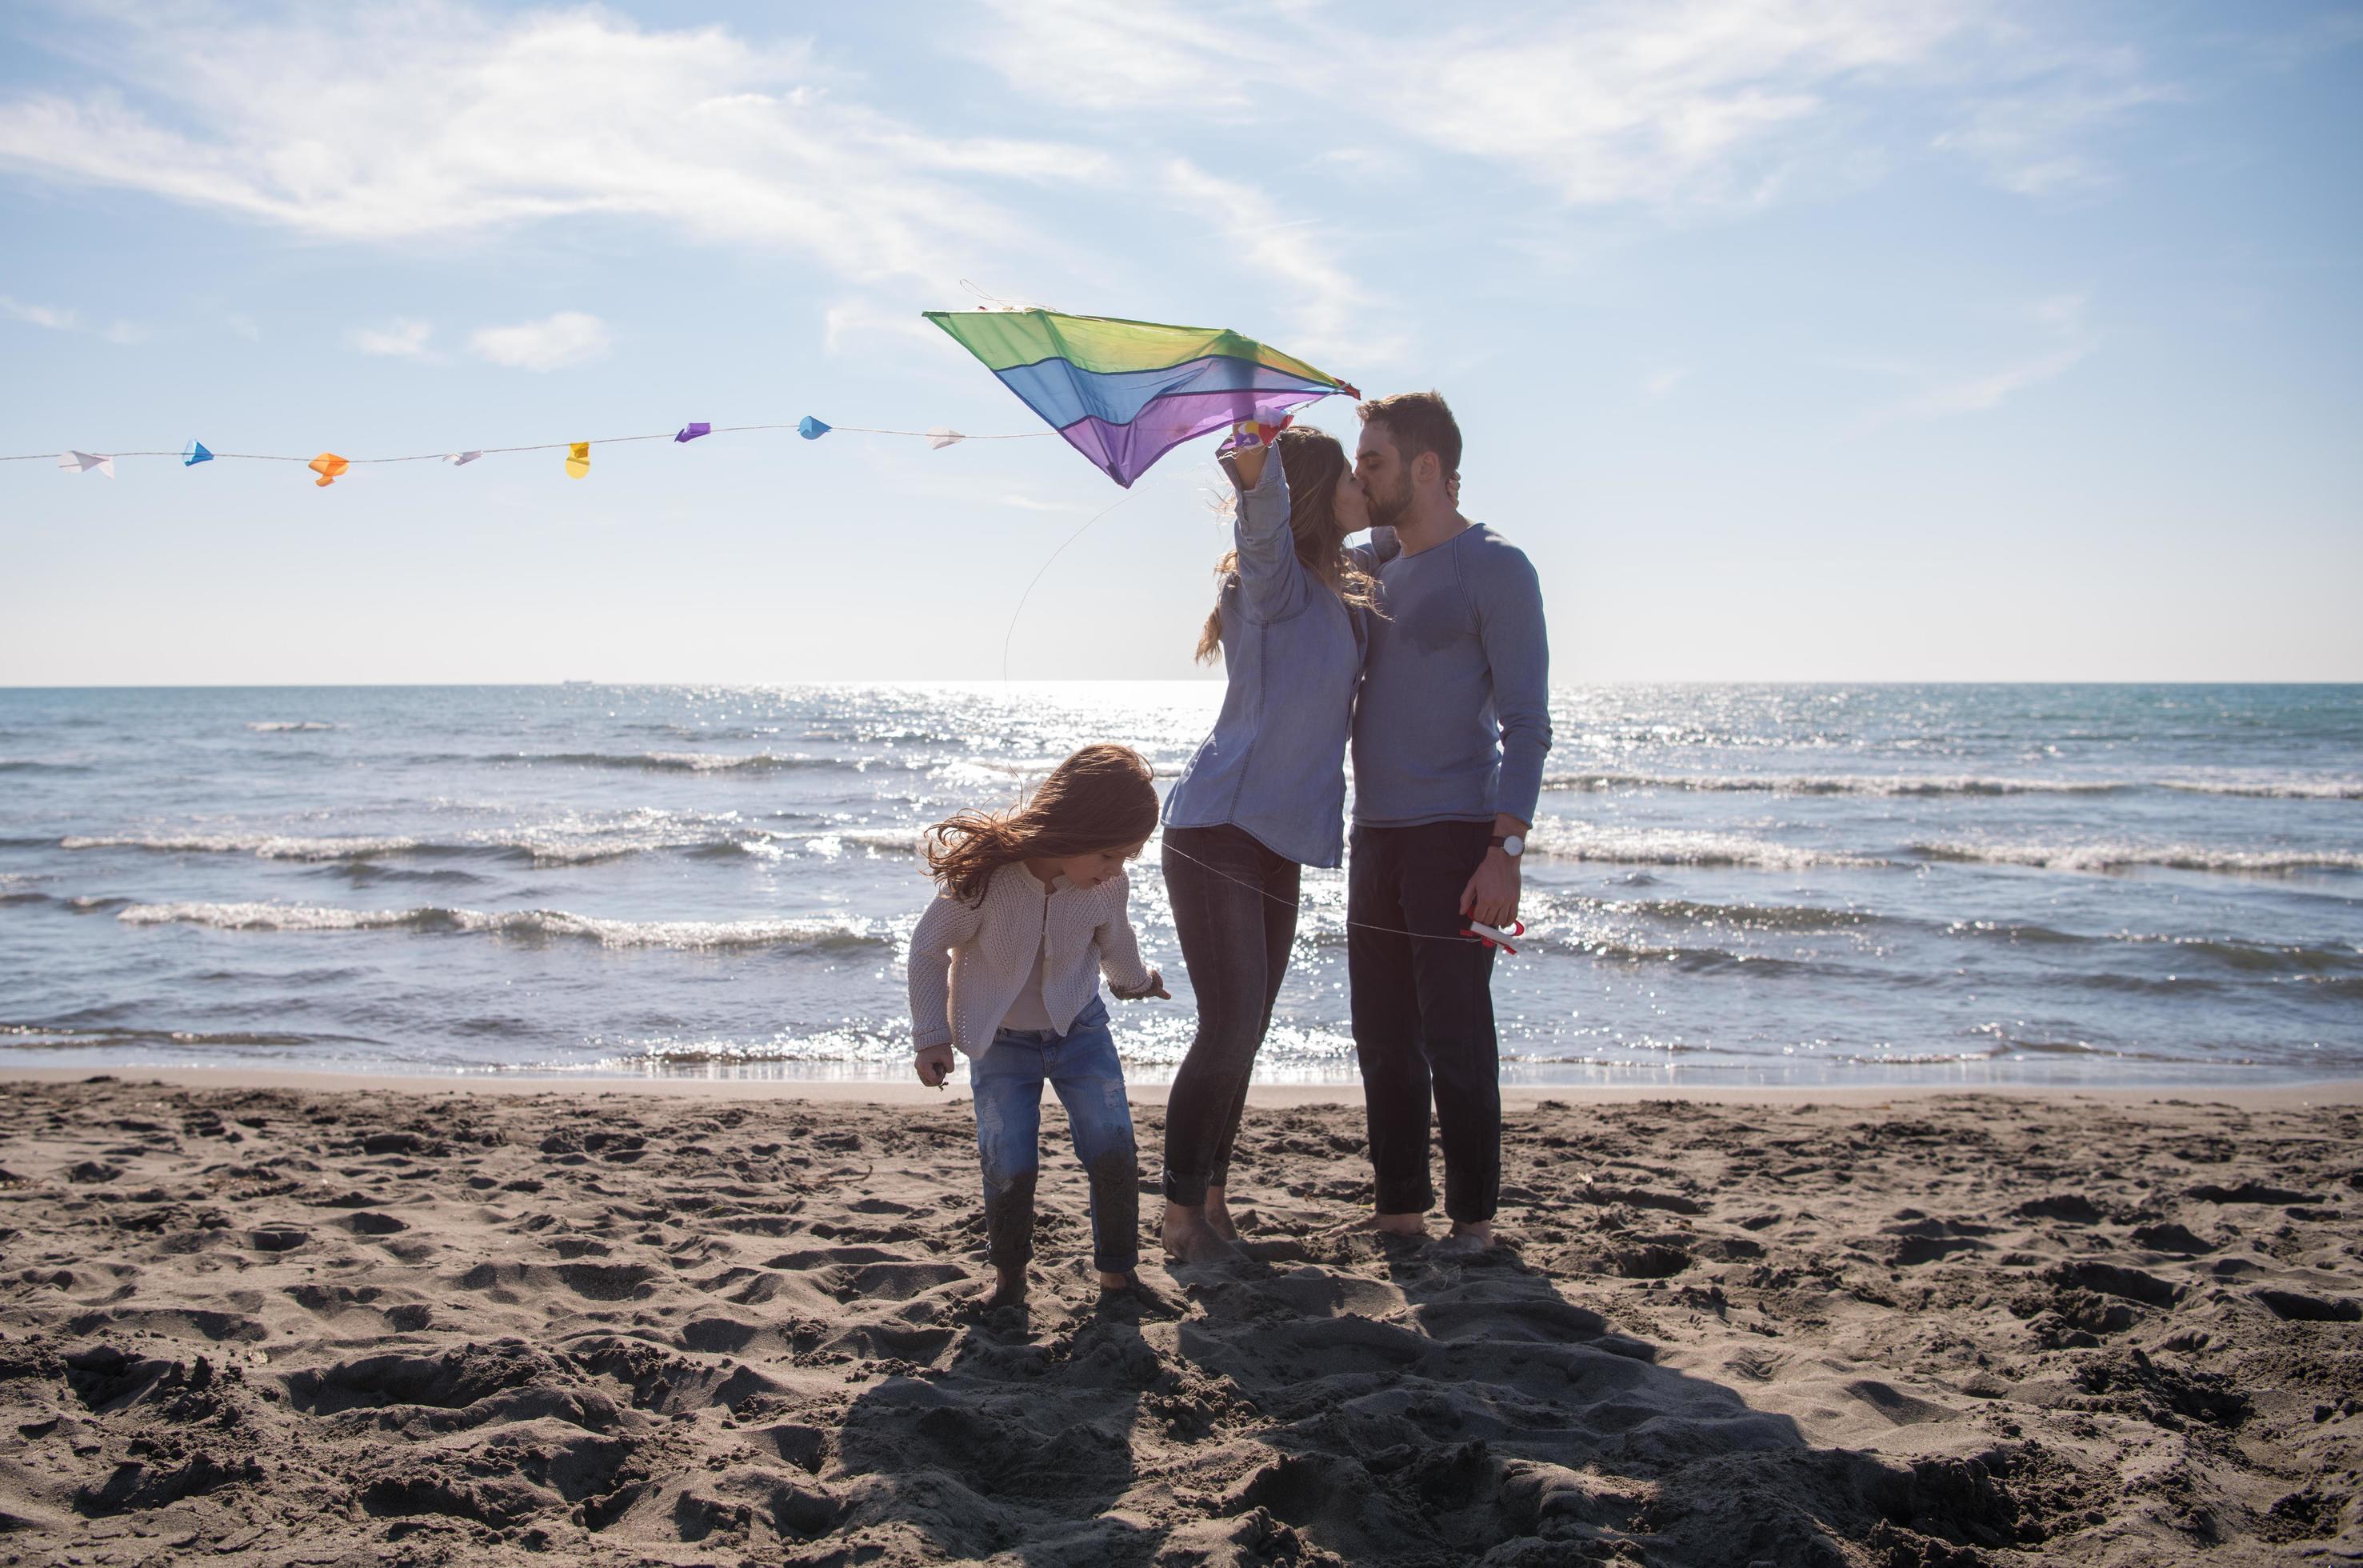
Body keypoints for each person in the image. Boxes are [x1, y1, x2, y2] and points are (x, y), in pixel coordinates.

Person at [1158, 424, 1376, 1263]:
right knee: (1228, 1022)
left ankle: (1213, 1201)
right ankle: (1178, 1215)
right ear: (1318, 491)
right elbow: (1260, 519)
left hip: (1276, 837)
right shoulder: (1273, 580)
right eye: (1352, 476)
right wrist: (1257, 464)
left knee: (1247, 1027)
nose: (1365, 485)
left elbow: (1403, 538)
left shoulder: (1340, 591)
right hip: (1218, 827)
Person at [1345, 391, 1551, 1252]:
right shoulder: (1371, 562)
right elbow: (1296, 542)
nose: (1362, 478)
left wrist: (1504, 849)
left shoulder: (1496, 568)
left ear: (1426, 468)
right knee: (1380, 1033)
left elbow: (1528, 724)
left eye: (1374, 462)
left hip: (1454, 830)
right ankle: (1399, 1211)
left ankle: (1472, 1221)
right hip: (1374, 833)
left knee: (1455, 1033)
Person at [907, 743, 1172, 1308]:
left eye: (1127, 858)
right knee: (1009, 1161)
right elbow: (927, 949)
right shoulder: (986, 880)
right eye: (1109, 855)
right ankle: (1007, 1283)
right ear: (1073, 831)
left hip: (1081, 1033)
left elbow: (1116, 947)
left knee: (1112, 1149)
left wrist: (1139, 982)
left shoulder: (1106, 888)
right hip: (1000, 1045)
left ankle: (1119, 1278)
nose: (1115, 871)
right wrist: (931, 1034)